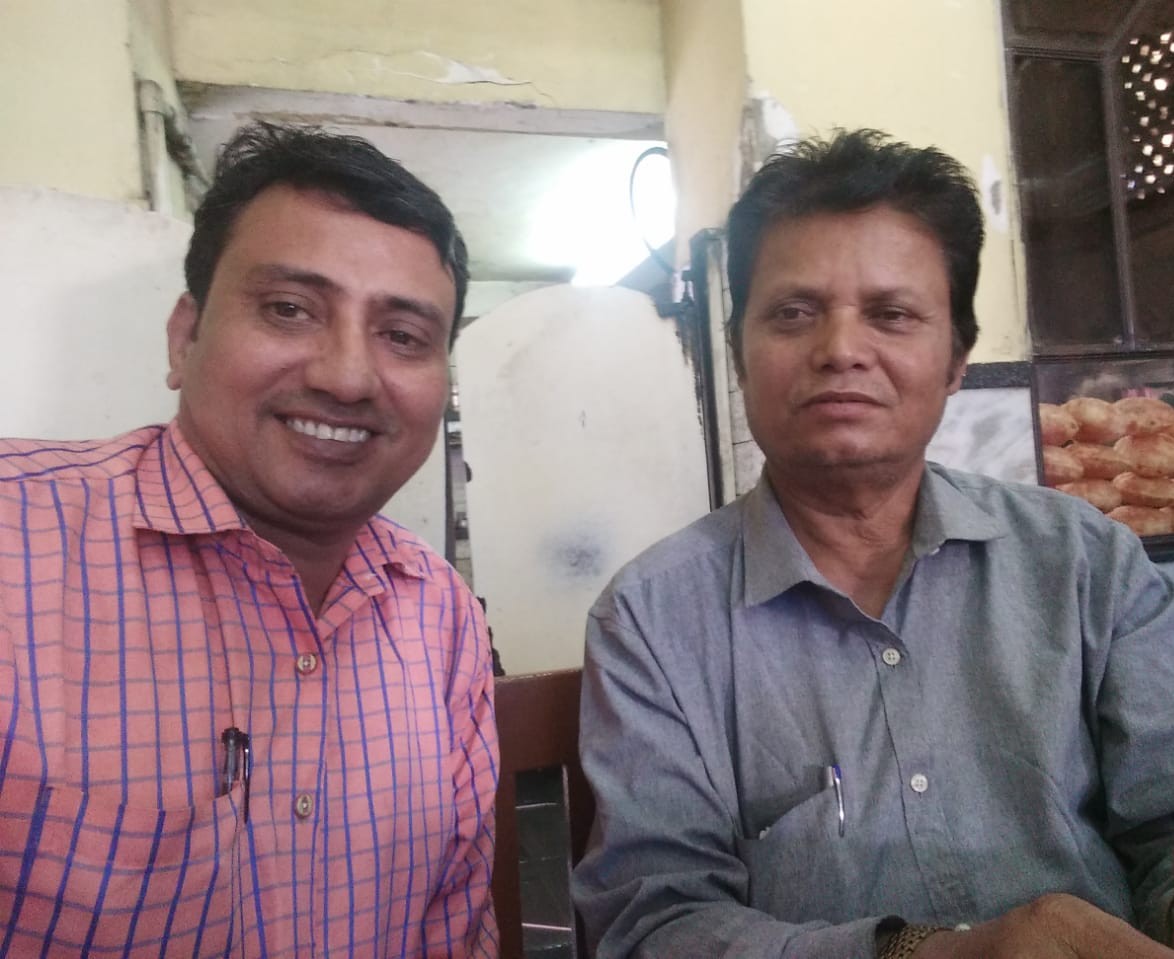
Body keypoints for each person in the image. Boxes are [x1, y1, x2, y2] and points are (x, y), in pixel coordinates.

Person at [572, 129, 1174, 958]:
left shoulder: (1088, 564)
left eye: (891, 315)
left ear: (957, 359)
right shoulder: (651, 620)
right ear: (739, 354)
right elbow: (654, 925)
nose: (841, 351)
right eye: (793, 313)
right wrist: (924, 952)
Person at [0, 122, 497, 957]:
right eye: (289, 309)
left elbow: (456, 933)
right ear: (184, 337)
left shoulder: (438, 610)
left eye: (403, 336)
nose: (347, 376)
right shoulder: (15, 546)